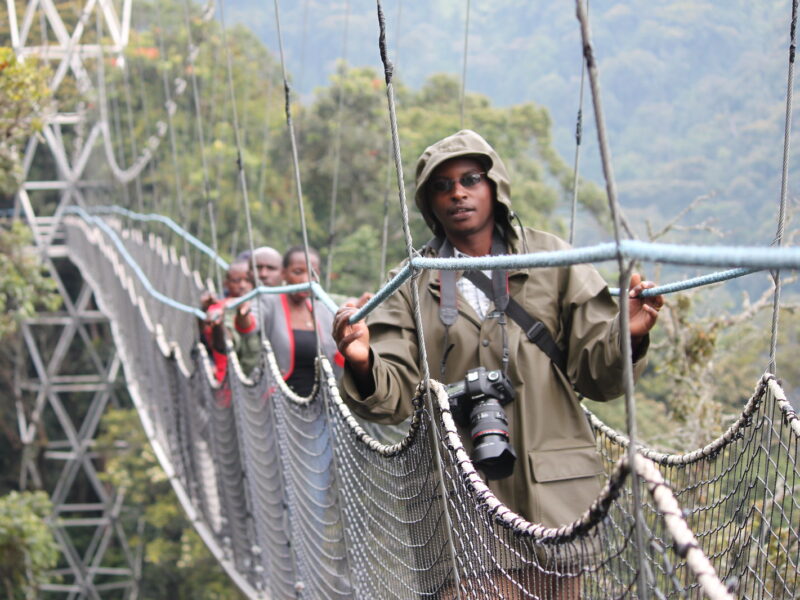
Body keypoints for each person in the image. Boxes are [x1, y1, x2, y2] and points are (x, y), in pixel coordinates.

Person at [333, 129, 664, 530]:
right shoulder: (408, 284)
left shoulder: (554, 260)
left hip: (555, 496)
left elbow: (599, 379)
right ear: (429, 203)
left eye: (470, 179)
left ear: (495, 187)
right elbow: (393, 398)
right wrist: (363, 361)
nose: (458, 193)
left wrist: (627, 335)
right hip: (459, 507)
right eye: (442, 186)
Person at [239, 245, 344, 395]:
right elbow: (248, 326)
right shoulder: (268, 301)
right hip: (278, 402)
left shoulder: (324, 309)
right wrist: (242, 315)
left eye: (312, 274)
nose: (306, 280)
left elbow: (338, 356)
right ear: (284, 274)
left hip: (322, 404)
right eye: (297, 272)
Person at [201, 260, 255, 383]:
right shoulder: (216, 308)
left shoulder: (262, 305)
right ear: (226, 284)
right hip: (225, 379)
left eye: (247, 280)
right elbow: (214, 343)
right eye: (237, 280)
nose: (242, 285)